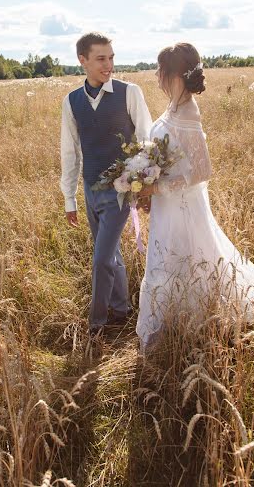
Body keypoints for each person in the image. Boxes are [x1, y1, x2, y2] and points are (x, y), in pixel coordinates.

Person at [136, 42, 254, 349]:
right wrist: (145, 181)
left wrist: (157, 186)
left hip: (183, 207)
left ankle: (186, 329)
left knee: (188, 260)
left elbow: (202, 170)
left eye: (161, 69)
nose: (157, 75)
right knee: (169, 261)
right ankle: (172, 327)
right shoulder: (173, 106)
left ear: (173, 74)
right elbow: (170, 157)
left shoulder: (187, 111)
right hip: (168, 206)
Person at [60, 32, 152, 337]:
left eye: (111, 57)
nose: (109, 64)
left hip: (120, 192)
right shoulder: (71, 101)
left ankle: (97, 324)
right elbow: (70, 151)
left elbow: (146, 140)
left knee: (100, 259)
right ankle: (122, 308)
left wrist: (139, 182)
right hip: (89, 191)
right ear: (82, 61)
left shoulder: (130, 92)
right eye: (101, 58)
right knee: (110, 254)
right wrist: (69, 199)